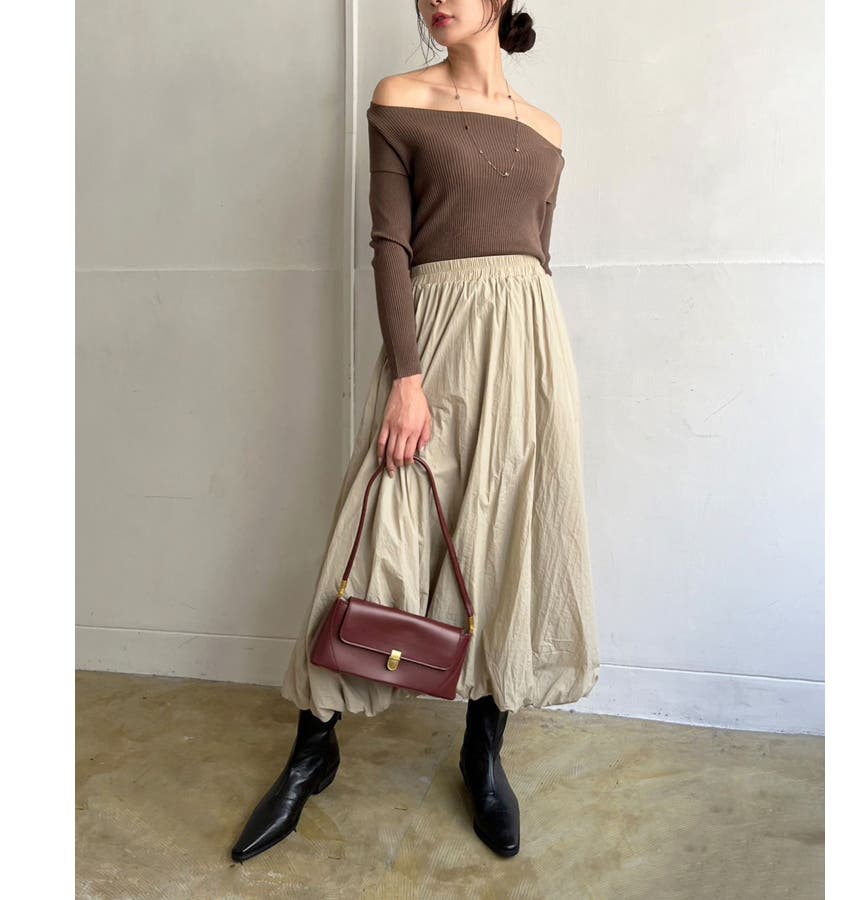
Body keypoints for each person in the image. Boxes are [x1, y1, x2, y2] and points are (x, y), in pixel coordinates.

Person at [231, 0, 600, 863]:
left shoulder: (547, 130)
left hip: (528, 349)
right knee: (378, 536)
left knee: (512, 536)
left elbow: (535, 257)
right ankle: (312, 750)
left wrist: (534, 366)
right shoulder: (401, 97)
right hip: (432, 343)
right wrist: (407, 378)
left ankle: (484, 749)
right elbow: (390, 246)